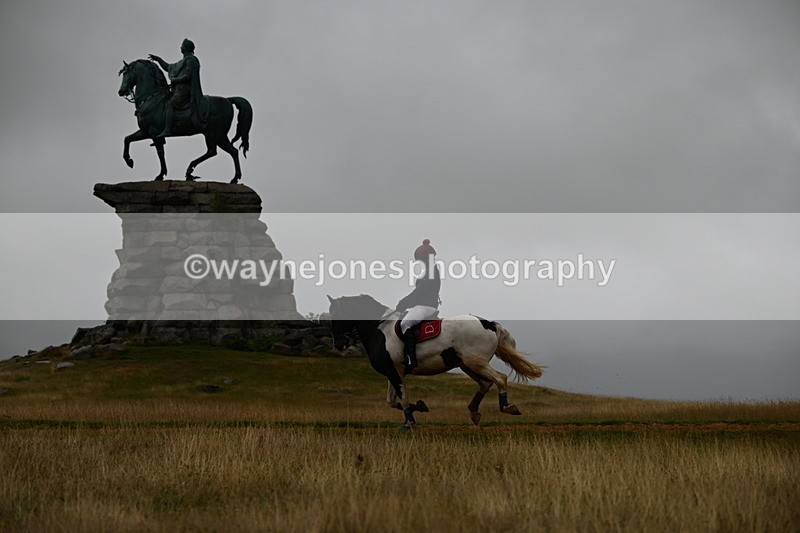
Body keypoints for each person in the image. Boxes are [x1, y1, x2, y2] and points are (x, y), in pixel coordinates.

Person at [148, 38, 209, 137]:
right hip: (179, 90)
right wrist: (158, 59)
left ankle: (167, 130)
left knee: (170, 104)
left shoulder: (192, 60)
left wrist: (174, 80)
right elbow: (168, 67)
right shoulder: (182, 62)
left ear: (185, 48)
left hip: (185, 91)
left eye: (182, 46)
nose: (180, 47)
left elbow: (187, 76)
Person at [396, 239, 441, 369]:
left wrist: (404, 302)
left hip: (426, 306)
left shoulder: (432, 271)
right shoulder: (428, 271)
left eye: (421, 260)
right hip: (421, 305)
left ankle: (411, 358)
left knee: (405, 323)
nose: (421, 263)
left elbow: (419, 292)